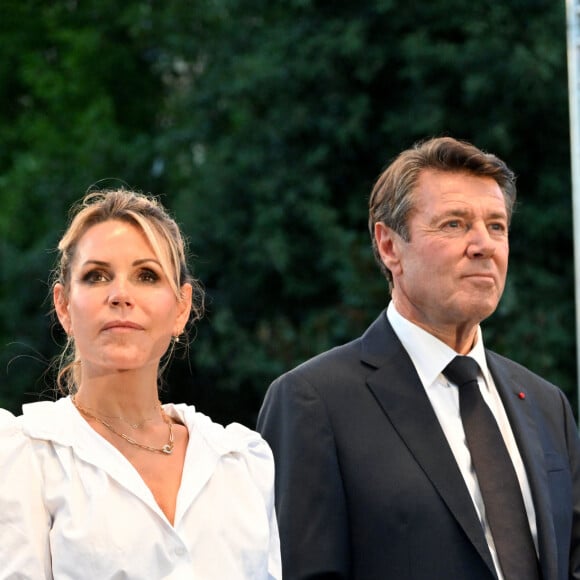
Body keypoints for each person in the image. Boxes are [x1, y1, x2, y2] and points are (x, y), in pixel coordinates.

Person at [257, 136, 580, 579]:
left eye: (497, 226)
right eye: (454, 224)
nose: (483, 244)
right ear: (389, 246)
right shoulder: (314, 402)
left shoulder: (548, 406)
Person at [0, 188, 281, 579]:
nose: (120, 295)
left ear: (181, 307)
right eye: (96, 276)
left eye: (146, 275)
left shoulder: (240, 462)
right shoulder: (26, 456)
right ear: (64, 306)